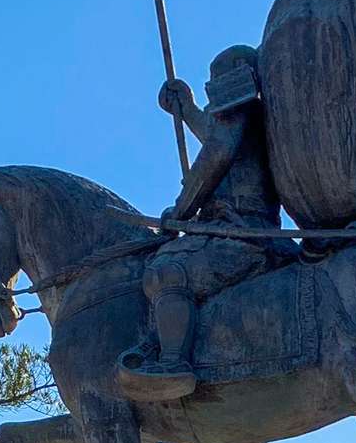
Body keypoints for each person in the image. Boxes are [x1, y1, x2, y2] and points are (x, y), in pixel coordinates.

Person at [118, 44, 287, 399]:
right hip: (234, 230)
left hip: (242, 234)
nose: (214, 89)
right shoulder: (255, 117)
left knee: (168, 272)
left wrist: (181, 210)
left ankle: (174, 366)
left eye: (216, 81)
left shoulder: (245, 113)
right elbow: (221, 138)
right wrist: (188, 111)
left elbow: (217, 155)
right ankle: (162, 338)